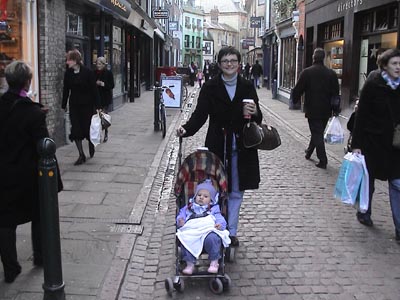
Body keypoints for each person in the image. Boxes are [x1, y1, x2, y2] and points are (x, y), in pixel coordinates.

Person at [176, 46, 263, 247]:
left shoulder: (247, 86)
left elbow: (257, 117)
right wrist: (186, 129)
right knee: (214, 189)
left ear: (239, 64)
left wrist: (255, 111)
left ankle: (230, 233)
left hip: (242, 147)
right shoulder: (210, 87)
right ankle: (212, 230)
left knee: (235, 191)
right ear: (219, 63)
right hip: (217, 145)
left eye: (233, 60)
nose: (229, 64)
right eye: (225, 61)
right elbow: (200, 115)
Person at [0, 61, 62, 283]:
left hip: (4, 175)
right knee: (39, 214)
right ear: (27, 81)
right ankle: (41, 256)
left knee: (5, 221)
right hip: (28, 176)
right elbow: (44, 146)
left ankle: (10, 268)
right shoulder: (33, 113)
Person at [351, 48, 400, 241]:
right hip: (372, 144)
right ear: (385, 65)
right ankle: (364, 211)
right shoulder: (373, 85)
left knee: (397, 185)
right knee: (367, 183)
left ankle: (399, 228)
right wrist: (356, 144)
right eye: (394, 63)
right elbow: (361, 116)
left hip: (396, 146)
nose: (398, 67)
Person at [292, 47, 340, 169]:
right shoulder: (331, 74)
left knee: (317, 133)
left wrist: (295, 101)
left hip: (312, 109)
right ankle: (309, 152)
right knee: (317, 132)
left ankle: (323, 159)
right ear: (323, 58)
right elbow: (336, 93)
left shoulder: (307, 72)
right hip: (326, 110)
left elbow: (298, 89)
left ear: (313, 57)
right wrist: (336, 109)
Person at [176, 180, 230, 275]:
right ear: (195, 196)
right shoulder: (188, 207)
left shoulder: (213, 209)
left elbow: (220, 218)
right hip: (192, 230)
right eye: (199, 195)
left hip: (207, 230)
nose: (201, 198)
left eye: (205, 196)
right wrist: (180, 221)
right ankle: (189, 264)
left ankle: (214, 262)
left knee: (213, 238)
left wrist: (220, 224)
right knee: (186, 238)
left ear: (211, 200)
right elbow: (181, 216)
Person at [62, 49, 101, 165]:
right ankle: (81, 155)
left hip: (87, 106)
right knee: (76, 130)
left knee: (88, 128)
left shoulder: (88, 72)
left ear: (75, 60)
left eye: (68, 60)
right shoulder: (68, 73)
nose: (67, 62)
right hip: (74, 106)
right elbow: (66, 90)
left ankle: (91, 143)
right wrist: (63, 105)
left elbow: (94, 90)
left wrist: (98, 106)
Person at [95, 56, 114, 143]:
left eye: (99, 64)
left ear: (103, 64)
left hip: (105, 98)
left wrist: (103, 84)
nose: (97, 65)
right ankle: (98, 133)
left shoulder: (108, 73)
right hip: (96, 97)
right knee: (97, 117)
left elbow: (112, 85)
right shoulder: (94, 73)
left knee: (103, 116)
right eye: (97, 64)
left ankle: (105, 132)